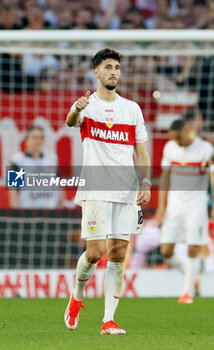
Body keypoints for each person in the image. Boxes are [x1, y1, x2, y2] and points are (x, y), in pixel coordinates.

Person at [64, 48, 151, 335]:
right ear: (96, 73)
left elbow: (141, 150)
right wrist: (77, 108)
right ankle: (77, 294)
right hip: (96, 188)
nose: (114, 71)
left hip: (126, 191)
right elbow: (70, 122)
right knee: (95, 252)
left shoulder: (132, 109)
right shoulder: (87, 106)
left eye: (116, 67)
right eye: (108, 67)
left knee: (117, 254)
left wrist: (146, 181)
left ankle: (108, 320)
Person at [156, 119, 213, 304]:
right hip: (174, 206)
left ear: (188, 131)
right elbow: (165, 176)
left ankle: (187, 292)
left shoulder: (205, 149)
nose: (177, 141)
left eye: (179, 137)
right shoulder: (170, 148)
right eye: (174, 138)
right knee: (166, 250)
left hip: (196, 205)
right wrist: (161, 206)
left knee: (193, 247)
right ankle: (193, 277)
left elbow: (212, 176)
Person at [9, 124, 64, 209]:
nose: (37, 140)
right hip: (27, 209)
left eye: (40, 138)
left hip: (50, 209)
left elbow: (60, 184)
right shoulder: (17, 161)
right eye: (34, 137)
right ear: (26, 139)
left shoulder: (52, 159)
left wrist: (61, 205)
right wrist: (16, 213)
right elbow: (13, 190)